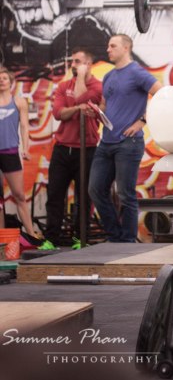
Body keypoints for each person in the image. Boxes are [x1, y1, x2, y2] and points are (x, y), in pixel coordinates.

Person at [88, 34, 162, 242]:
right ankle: (115, 236)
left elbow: (162, 94)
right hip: (106, 141)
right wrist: (96, 111)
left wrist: (142, 121)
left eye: (113, 46)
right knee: (95, 189)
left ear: (126, 48)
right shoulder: (109, 76)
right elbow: (105, 105)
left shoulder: (137, 73)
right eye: (108, 46)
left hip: (129, 143)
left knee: (125, 194)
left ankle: (127, 241)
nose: (108, 49)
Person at [39, 49, 102, 250]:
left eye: (78, 61)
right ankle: (51, 239)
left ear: (88, 64)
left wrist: (81, 78)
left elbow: (81, 98)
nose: (73, 65)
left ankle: (79, 238)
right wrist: (76, 109)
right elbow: (58, 113)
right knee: (55, 195)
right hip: (62, 149)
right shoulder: (63, 86)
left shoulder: (98, 86)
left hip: (87, 149)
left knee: (84, 197)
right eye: (72, 61)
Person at [0, 66, 42, 243]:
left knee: (19, 195)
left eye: (4, 78)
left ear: (10, 81)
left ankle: (31, 235)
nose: (1, 80)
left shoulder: (19, 102)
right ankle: (2, 240)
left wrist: (25, 148)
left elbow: (24, 127)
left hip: (10, 152)